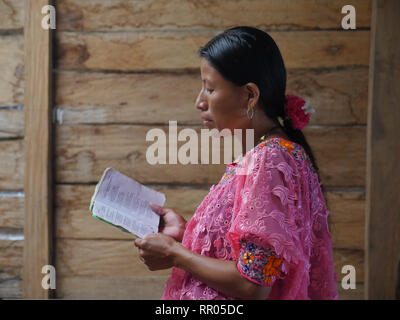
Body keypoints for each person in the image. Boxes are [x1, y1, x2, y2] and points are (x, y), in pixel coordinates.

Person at [134, 26, 338, 300]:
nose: (199, 102)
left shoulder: (270, 160)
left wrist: (175, 254)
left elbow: (253, 285)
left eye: (209, 88)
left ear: (250, 96)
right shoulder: (275, 154)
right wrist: (186, 234)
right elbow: (251, 256)